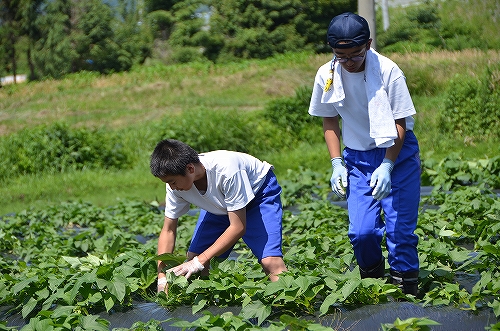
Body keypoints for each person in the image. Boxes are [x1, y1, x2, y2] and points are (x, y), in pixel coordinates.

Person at [308, 12, 420, 295]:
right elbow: (329, 119)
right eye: (341, 56)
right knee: (362, 232)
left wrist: (387, 165)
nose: (348, 62)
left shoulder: (388, 70)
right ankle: (374, 283)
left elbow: (400, 122)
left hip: (398, 153)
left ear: (368, 44)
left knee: (399, 231)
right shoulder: (327, 74)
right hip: (357, 158)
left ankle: (406, 289)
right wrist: (336, 162)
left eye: (355, 55)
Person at [150, 139, 287, 292]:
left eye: (173, 182)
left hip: (258, 195)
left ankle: (292, 304)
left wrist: (198, 262)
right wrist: (161, 276)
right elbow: (168, 230)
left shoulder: (226, 170)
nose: (171, 187)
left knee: (271, 262)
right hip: (222, 203)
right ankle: (209, 303)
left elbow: (238, 227)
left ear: (190, 169)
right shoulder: (175, 187)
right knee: (196, 257)